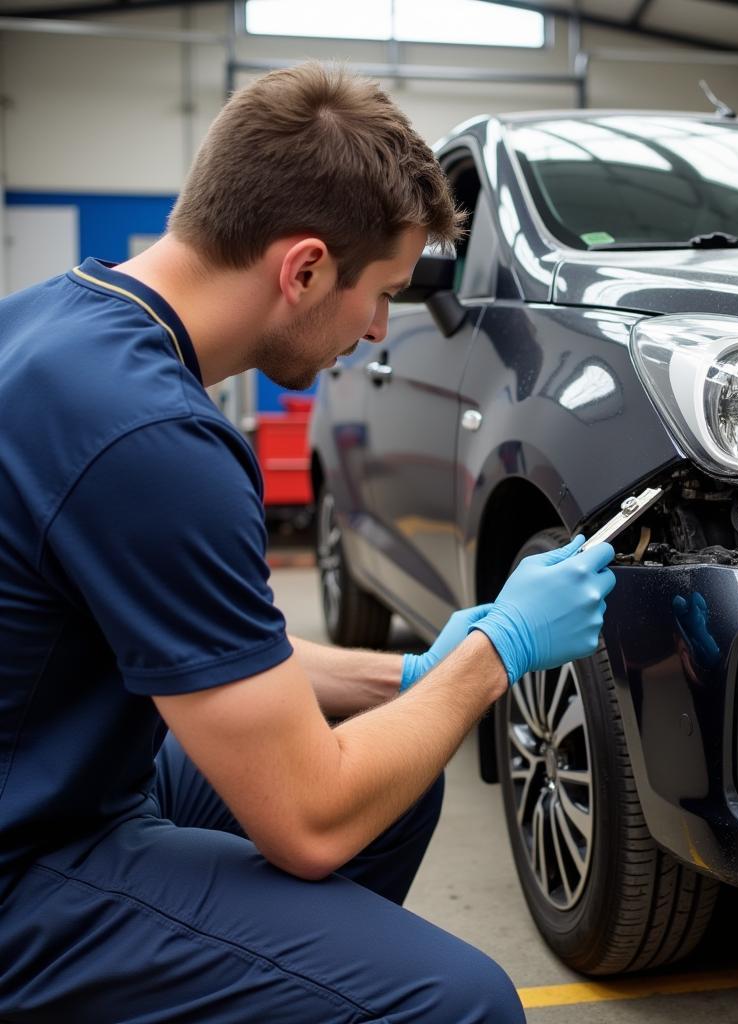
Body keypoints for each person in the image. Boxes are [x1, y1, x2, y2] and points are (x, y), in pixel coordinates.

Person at [0, 62, 616, 1022]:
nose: (377, 333)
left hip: (52, 756)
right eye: (380, 295)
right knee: (464, 1002)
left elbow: (210, 644)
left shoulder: (54, 322)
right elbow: (310, 825)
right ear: (304, 267)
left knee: (394, 773)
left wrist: (412, 678)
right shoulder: (154, 440)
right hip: (27, 862)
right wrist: (498, 655)